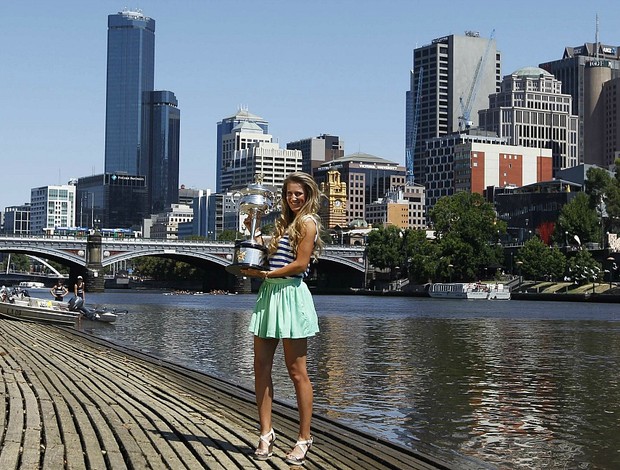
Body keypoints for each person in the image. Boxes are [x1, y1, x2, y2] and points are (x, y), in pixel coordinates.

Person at [240, 172, 324, 466]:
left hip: (290, 294)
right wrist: (254, 232)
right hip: (269, 296)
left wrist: (264, 275)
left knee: (296, 371)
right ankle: (266, 433)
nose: (293, 198)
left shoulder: (308, 223)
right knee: (260, 366)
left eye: (298, 194)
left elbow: (300, 263)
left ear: (308, 195)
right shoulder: (284, 224)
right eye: (289, 194)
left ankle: (304, 438)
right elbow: (271, 254)